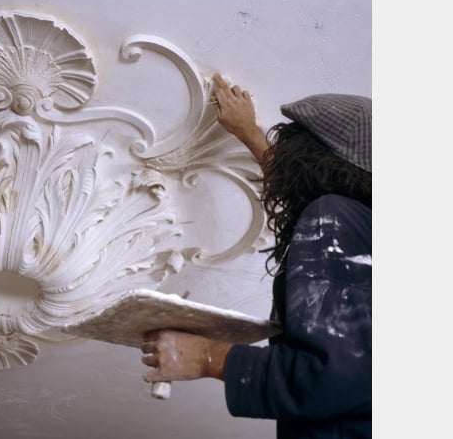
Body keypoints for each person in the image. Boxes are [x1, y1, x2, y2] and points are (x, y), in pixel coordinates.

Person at [140, 73, 372, 439]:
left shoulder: (334, 216)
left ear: (310, 159)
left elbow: (331, 376)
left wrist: (208, 356)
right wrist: (248, 132)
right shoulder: (361, 226)